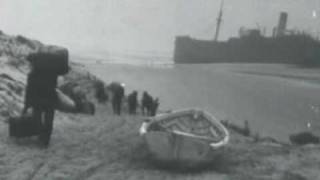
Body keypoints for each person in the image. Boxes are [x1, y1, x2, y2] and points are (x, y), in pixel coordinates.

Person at [22, 67, 58, 147]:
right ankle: (46, 139)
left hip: (38, 100)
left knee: (37, 118)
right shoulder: (52, 73)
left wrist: (26, 105)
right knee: (49, 120)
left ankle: (41, 137)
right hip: (50, 99)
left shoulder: (32, 74)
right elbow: (55, 85)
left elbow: (29, 90)